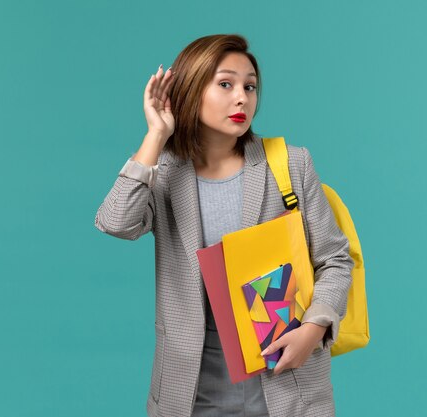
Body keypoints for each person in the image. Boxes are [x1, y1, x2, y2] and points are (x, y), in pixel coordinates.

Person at [94, 34, 353, 417]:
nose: (242, 98)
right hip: (191, 395)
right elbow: (116, 222)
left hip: (286, 388)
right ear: (190, 90)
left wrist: (314, 329)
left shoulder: (290, 164)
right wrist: (155, 136)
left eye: (250, 86)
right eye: (225, 84)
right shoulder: (163, 172)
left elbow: (335, 260)